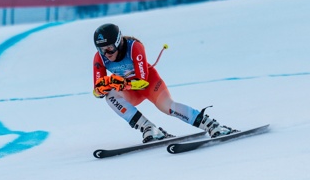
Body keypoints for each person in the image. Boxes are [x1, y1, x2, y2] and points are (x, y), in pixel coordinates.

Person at [92, 23, 238, 143]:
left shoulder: (134, 47)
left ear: (118, 42)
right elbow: (97, 91)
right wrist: (101, 89)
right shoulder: (99, 58)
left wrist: (120, 82)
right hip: (130, 91)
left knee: (168, 107)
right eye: (102, 49)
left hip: (149, 83)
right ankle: (148, 128)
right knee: (109, 96)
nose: (107, 53)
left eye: (110, 48)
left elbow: (142, 82)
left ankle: (211, 125)